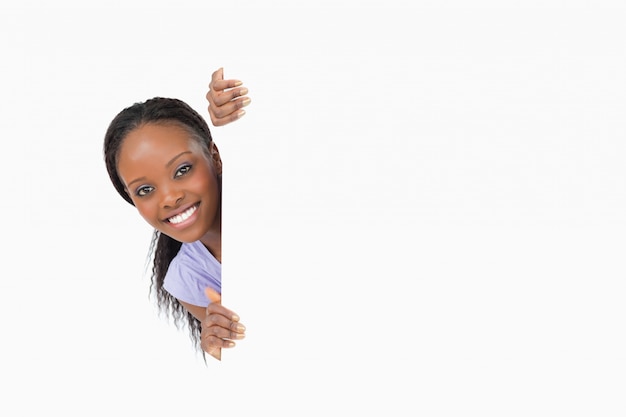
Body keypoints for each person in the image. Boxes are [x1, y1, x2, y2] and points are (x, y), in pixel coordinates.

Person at [103, 68, 250, 361]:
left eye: (182, 170)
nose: (170, 198)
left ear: (215, 158)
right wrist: (219, 347)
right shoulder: (187, 278)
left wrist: (240, 99)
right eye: (144, 190)